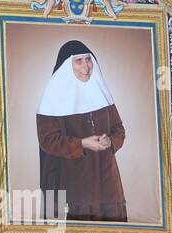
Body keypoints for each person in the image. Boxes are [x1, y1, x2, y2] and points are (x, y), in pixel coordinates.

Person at [35, 39, 127, 222]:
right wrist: (82, 144)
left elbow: (119, 129)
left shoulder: (101, 93)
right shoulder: (52, 99)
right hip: (73, 179)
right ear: (67, 66)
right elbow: (47, 140)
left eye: (88, 60)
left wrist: (111, 141)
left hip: (107, 178)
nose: (86, 66)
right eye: (79, 61)